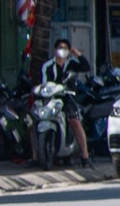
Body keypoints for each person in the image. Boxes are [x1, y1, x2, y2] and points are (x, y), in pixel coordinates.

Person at [40, 37, 93, 166]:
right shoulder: (47, 66)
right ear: (55, 50)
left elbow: (86, 67)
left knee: (74, 121)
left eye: (65, 48)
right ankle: (37, 156)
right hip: (53, 98)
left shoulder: (72, 64)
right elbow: (44, 83)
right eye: (59, 48)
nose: (62, 51)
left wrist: (78, 54)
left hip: (69, 98)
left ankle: (85, 157)